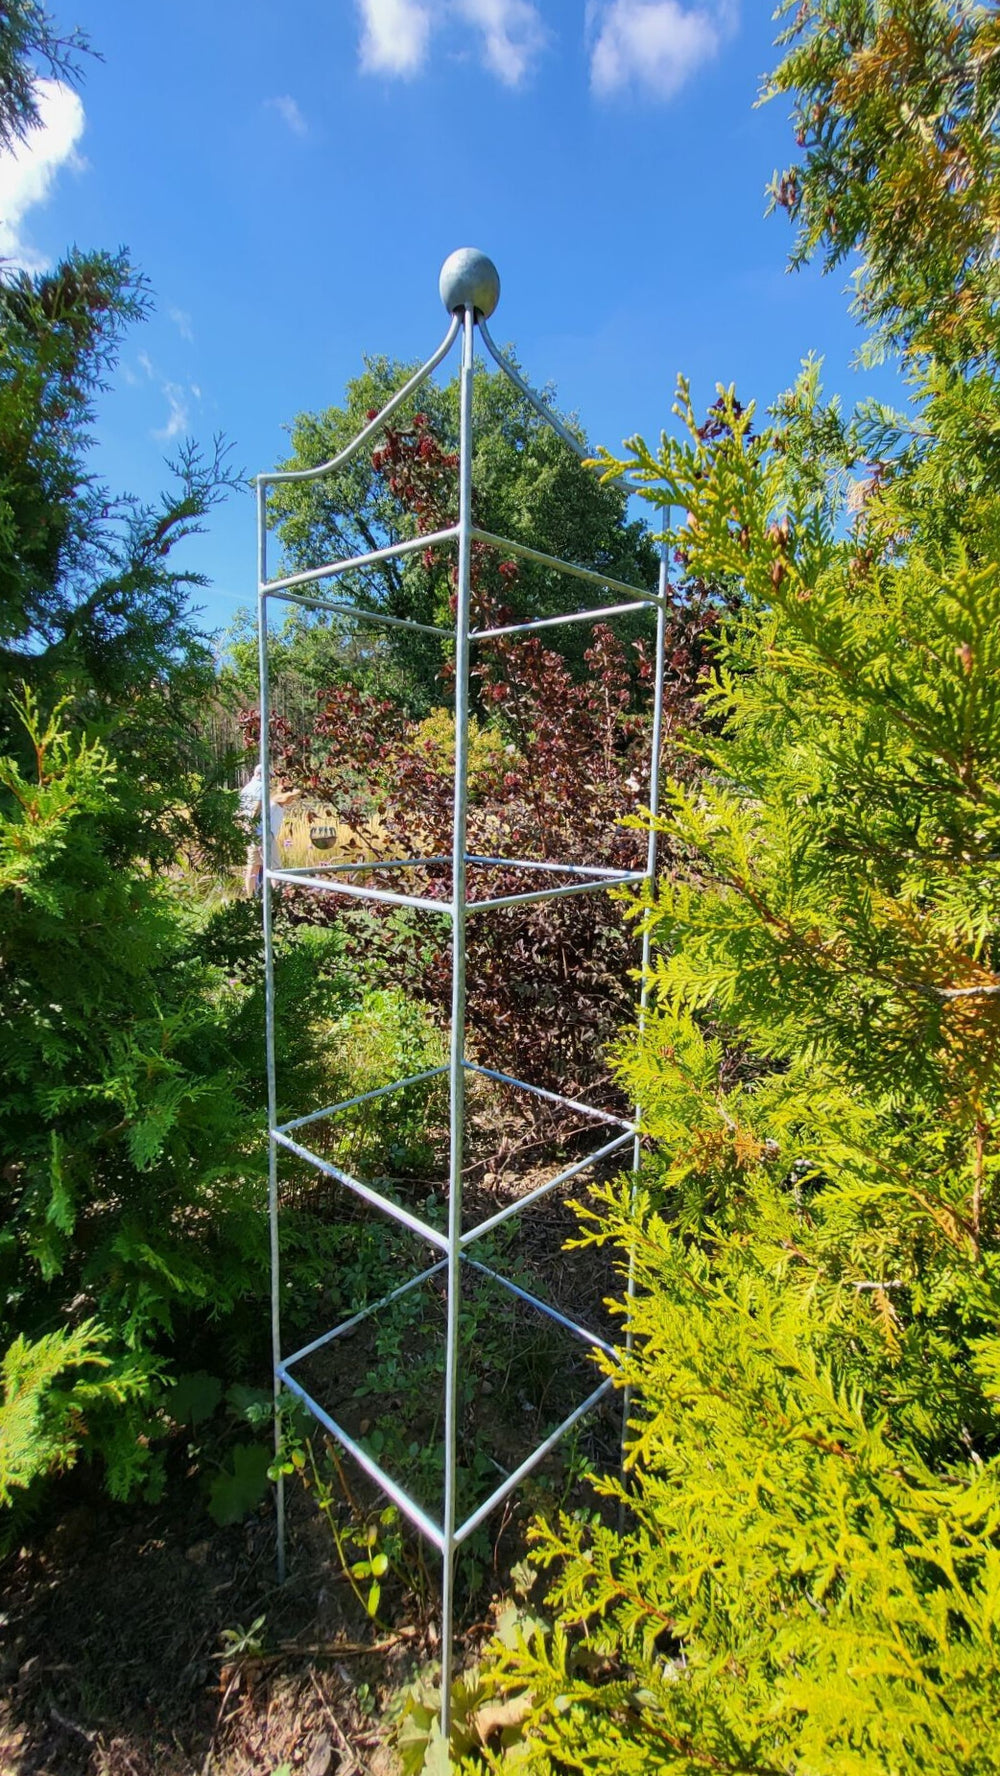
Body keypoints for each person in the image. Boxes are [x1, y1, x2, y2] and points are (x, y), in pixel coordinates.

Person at [239, 764, 299, 896]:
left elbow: (241, 810)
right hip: (263, 833)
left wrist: (246, 827)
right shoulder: (262, 788)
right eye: (269, 777)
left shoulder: (246, 788)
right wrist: (299, 786)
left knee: (253, 867)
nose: (270, 780)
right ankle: (278, 898)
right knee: (274, 868)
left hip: (250, 834)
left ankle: (250, 898)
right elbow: (258, 806)